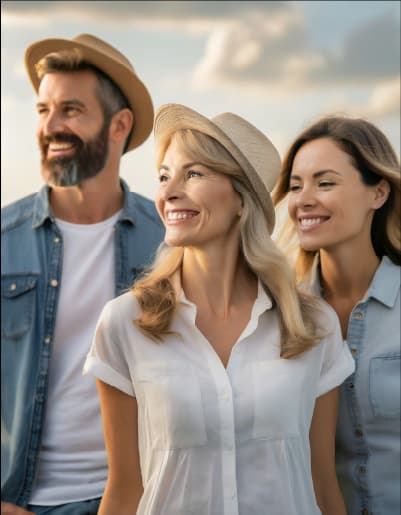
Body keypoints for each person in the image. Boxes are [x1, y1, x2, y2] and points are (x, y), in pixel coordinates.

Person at [83, 103, 355, 515]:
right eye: (163, 175)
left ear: (242, 199)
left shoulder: (312, 325)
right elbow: (124, 489)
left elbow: (322, 482)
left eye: (193, 173)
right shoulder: (125, 323)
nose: (169, 191)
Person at [1, 34, 164, 515]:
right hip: (21, 503)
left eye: (70, 109)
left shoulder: (171, 246)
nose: (50, 126)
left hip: (144, 502)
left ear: (120, 125)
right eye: (42, 110)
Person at [272, 115, 400, 515]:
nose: (304, 199)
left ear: (377, 193)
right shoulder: (279, 315)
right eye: (296, 186)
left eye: (324, 183)